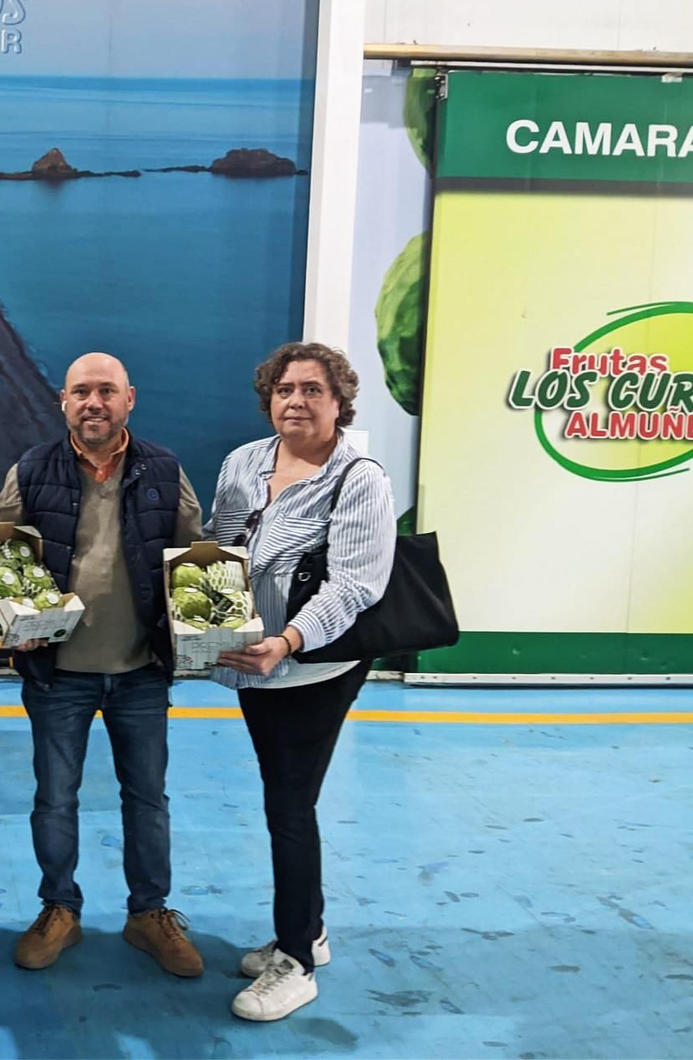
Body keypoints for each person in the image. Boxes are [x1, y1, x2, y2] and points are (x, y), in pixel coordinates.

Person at [0, 352, 205, 978]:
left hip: (140, 670)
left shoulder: (165, 470)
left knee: (147, 799)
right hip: (58, 674)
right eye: (82, 391)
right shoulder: (30, 470)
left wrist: (197, 630)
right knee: (55, 799)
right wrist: (14, 625)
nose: (94, 402)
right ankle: (59, 908)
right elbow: (0, 563)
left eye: (107, 391)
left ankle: (149, 914)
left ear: (129, 399)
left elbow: (192, 559)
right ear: (63, 401)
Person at [206, 342, 395, 1022]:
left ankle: (297, 961)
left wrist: (286, 640)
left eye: (314, 390)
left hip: (314, 666)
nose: (296, 401)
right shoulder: (243, 463)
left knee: (290, 805)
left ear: (340, 402)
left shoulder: (359, 479)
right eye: (285, 389)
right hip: (253, 665)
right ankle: (308, 927)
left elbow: (356, 585)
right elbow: (220, 551)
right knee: (281, 795)